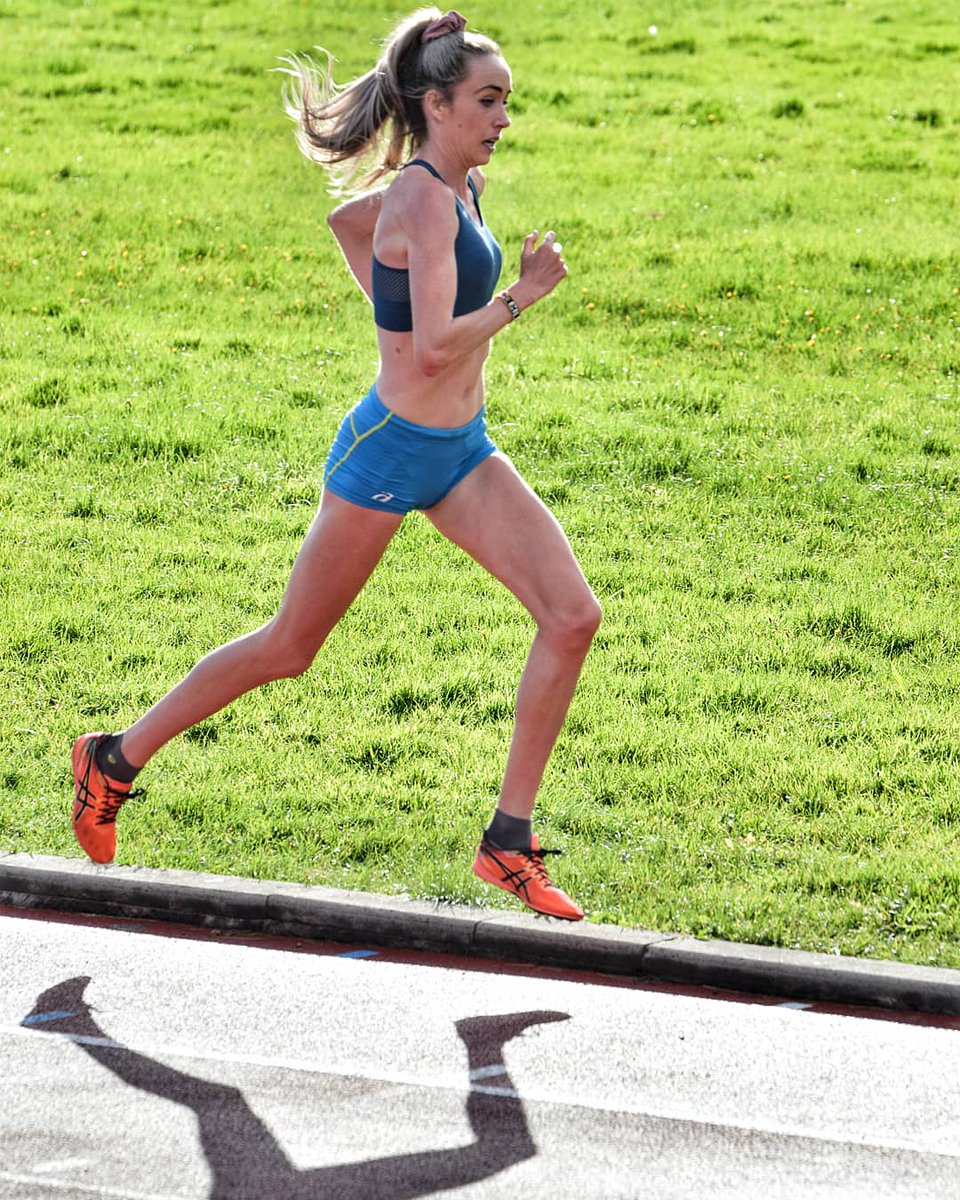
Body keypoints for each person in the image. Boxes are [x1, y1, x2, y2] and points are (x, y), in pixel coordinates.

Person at [71, 7, 601, 921]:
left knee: (572, 615)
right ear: (437, 105)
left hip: (460, 452)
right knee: (291, 647)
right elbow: (431, 350)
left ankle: (508, 841)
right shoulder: (425, 199)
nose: (504, 118)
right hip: (388, 451)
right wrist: (523, 294)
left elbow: (350, 223)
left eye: (506, 100)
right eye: (488, 100)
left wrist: (390, 313)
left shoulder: (458, 185)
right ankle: (111, 760)